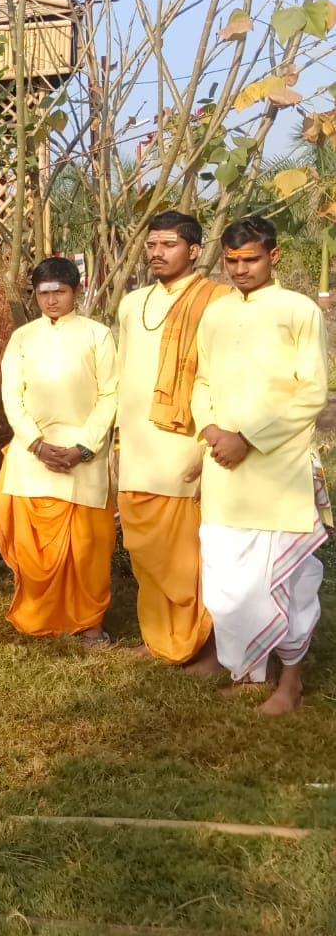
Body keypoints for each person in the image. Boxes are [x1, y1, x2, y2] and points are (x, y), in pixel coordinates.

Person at [193, 215, 328, 715]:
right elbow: (201, 381)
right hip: (224, 472)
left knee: (288, 580)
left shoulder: (298, 310)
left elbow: (312, 391)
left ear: (274, 256)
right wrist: (210, 429)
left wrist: (248, 438)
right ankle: (250, 672)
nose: (241, 269)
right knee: (227, 579)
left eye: (251, 259)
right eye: (232, 261)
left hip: (278, 470)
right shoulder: (217, 313)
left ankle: (288, 684)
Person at [113, 211, 227, 670]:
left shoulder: (215, 302)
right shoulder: (131, 303)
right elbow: (123, 374)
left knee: (190, 557)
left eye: (168, 245)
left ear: (195, 250)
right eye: (152, 244)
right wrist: (118, 439)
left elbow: (222, 377)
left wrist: (208, 448)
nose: (157, 253)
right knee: (145, 552)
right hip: (138, 445)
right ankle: (158, 637)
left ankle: (206, 643)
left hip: (185, 443)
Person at [0, 257, 118, 642]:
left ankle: (88, 623)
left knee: (88, 548)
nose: (51, 300)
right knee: (33, 547)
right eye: (43, 293)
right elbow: (11, 394)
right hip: (33, 455)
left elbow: (111, 393)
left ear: (75, 292)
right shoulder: (23, 338)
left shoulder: (98, 335)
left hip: (85, 453)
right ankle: (39, 615)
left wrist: (83, 448)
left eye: (59, 292)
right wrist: (35, 444)